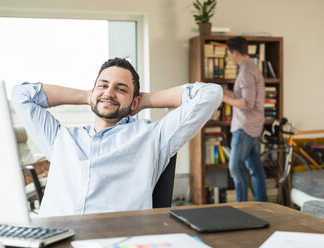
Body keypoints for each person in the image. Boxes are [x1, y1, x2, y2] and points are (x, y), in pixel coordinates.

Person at [12, 58, 222, 217]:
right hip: (55, 237)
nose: (109, 93)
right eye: (103, 85)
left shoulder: (153, 137)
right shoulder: (60, 138)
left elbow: (209, 94)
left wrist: (146, 100)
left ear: (134, 102)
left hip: (115, 238)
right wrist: (88, 96)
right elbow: (22, 95)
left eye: (121, 89)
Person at [222, 37, 267, 202]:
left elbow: (245, 103)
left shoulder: (246, 72)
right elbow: (240, 96)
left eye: (228, 54)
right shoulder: (251, 67)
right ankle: (261, 205)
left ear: (235, 52)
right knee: (255, 168)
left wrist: (222, 97)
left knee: (235, 167)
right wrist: (219, 91)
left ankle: (242, 208)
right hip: (254, 125)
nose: (229, 57)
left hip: (245, 127)